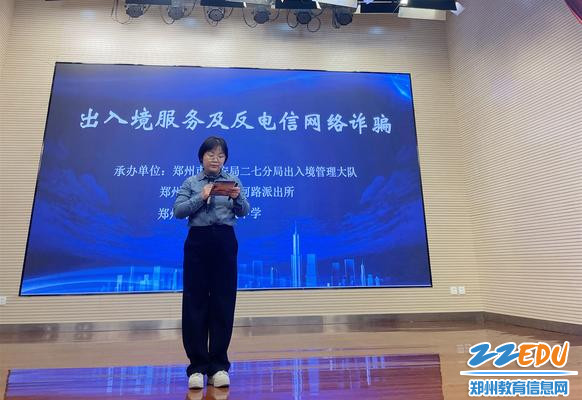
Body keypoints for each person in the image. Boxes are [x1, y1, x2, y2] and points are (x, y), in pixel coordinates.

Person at [173, 136, 250, 390]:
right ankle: (197, 367)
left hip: (225, 241)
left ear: (225, 159)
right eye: (211, 154)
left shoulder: (233, 181)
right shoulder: (191, 182)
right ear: (201, 157)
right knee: (195, 302)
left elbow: (245, 211)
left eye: (220, 155)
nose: (215, 159)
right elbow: (178, 211)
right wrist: (201, 196)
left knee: (223, 302)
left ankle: (218, 366)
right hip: (198, 241)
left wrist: (237, 198)